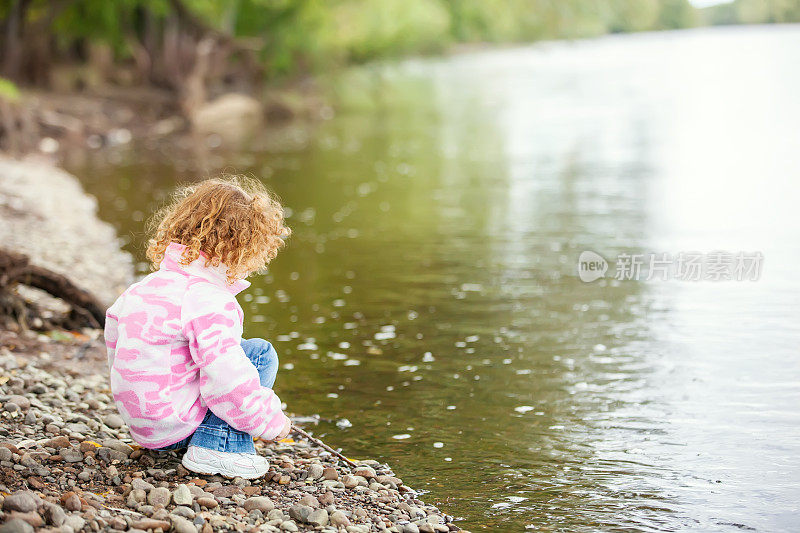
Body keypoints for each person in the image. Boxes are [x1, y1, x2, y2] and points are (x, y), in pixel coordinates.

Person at [104, 175, 292, 479]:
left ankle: (191, 437)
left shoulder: (143, 288)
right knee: (259, 355)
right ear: (240, 247)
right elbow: (227, 379)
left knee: (228, 355)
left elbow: (119, 351)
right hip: (176, 424)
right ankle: (220, 448)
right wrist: (272, 422)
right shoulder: (208, 298)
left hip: (146, 427)